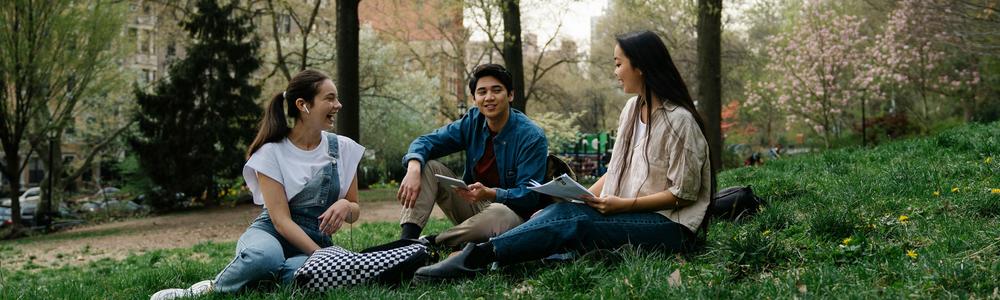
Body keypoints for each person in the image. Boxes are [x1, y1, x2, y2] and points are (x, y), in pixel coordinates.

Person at [413, 30, 716, 282]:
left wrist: (624, 204)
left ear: (641, 67)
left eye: (618, 63)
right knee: (558, 212)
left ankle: (475, 258)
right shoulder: (631, 110)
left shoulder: (680, 121)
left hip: (669, 226)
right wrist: (581, 196)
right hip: (630, 213)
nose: (615, 72)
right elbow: (617, 170)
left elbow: (683, 193)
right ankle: (480, 252)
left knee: (573, 222)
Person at [150, 70, 364, 299]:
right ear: (303, 105)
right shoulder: (271, 152)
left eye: (337, 98)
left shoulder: (343, 148)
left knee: (300, 274)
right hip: (270, 235)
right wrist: (323, 256)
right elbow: (281, 221)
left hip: (315, 239)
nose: (338, 105)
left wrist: (345, 205)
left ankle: (257, 279)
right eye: (329, 98)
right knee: (265, 257)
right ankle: (209, 288)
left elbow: (354, 210)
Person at [395, 63, 549, 250]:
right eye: (482, 92)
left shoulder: (531, 136)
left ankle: (432, 243)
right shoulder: (472, 121)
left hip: (513, 217)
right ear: (475, 98)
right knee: (427, 166)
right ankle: (405, 244)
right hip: (474, 205)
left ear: (510, 95)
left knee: (499, 212)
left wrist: (492, 193)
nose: (489, 97)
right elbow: (426, 142)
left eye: (496, 90)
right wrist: (413, 168)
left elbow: (529, 196)